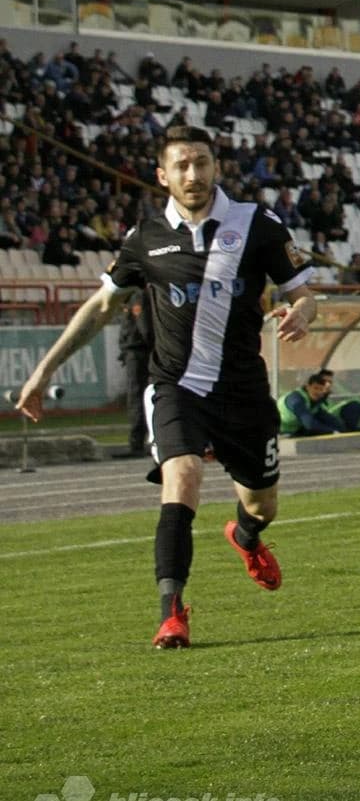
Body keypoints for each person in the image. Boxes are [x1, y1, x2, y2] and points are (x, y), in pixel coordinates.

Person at [17, 125, 317, 650]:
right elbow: (101, 307)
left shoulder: (257, 224)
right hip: (178, 386)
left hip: (243, 392)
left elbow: (304, 293)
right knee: (182, 477)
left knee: (262, 505)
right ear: (162, 175)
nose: (193, 174)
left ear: (216, 166)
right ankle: (171, 614)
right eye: (181, 165)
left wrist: (302, 313)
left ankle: (245, 536)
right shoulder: (145, 238)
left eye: (201, 162)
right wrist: (44, 371)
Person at [116, 288, 151, 457]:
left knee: (136, 397)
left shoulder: (138, 296)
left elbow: (143, 326)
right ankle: (138, 442)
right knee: (138, 397)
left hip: (138, 353)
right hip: (135, 352)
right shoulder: (134, 296)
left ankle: (137, 444)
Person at [278, 372, 344, 437]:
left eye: (321, 389)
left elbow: (328, 418)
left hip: (295, 431)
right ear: (308, 386)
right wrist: (332, 432)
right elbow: (309, 423)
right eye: (315, 388)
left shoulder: (314, 402)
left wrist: (341, 430)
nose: (318, 392)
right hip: (279, 432)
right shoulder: (296, 399)